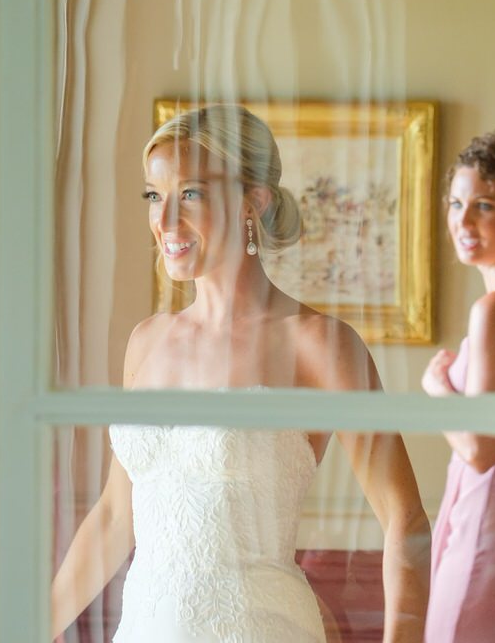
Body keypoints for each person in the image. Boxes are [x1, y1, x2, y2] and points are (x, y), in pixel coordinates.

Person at [51, 106, 431, 643]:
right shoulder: (147, 340)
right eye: (154, 196)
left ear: (255, 202)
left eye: (190, 194)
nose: (164, 222)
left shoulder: (317, 344)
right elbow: (116, 516)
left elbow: (405, 520)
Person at [421, 131, 495, 642]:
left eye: (483, 206)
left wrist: (438, 389)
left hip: (487, 532)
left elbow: (482, 449)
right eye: (456, 204)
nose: (462, 223)